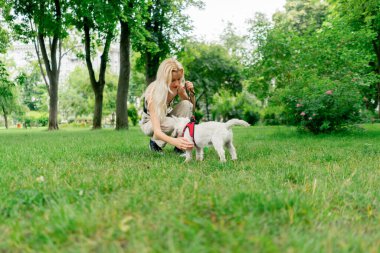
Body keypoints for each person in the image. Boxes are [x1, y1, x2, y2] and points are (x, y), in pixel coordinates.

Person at [140, 58, 195, 153]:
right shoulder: (153, 93)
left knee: (186, 104)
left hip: (164, 116)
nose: (177, 83)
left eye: (179, 79)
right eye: (173, 80)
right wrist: (174, 141)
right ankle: (155, 144)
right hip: (150, 123)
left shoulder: (178, 87)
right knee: (175, 123)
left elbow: (190, 109)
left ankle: (180, 148)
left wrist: (191, 94)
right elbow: (157, 130)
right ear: (164, 78)